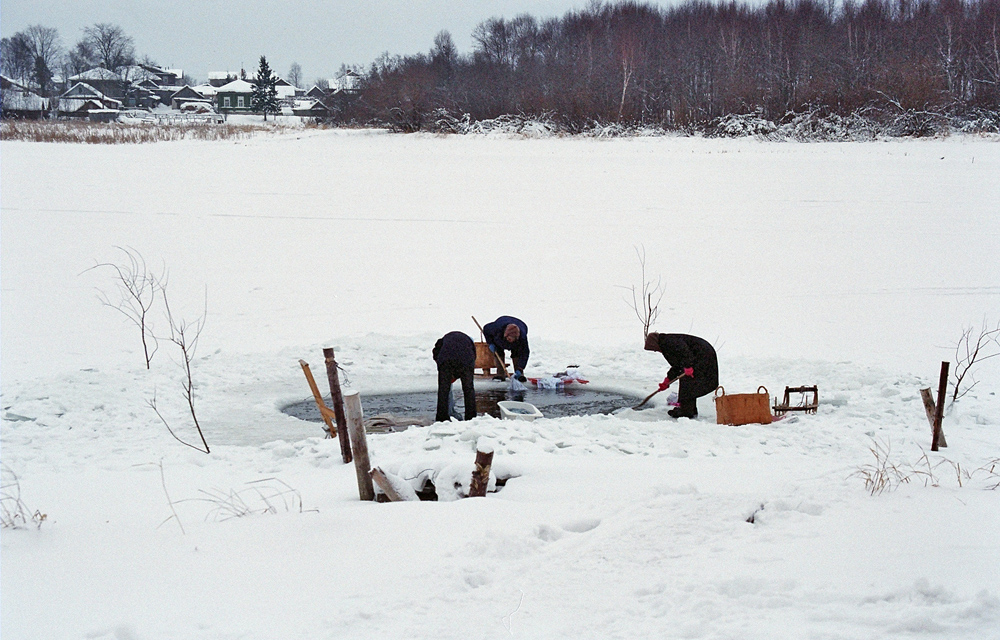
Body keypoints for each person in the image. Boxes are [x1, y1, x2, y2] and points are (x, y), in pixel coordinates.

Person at [644, 332, 719, 419]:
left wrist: (687, 366)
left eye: (655, 349)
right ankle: (689, 410)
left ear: (655, 344)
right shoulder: (666, 344)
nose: (656, 351)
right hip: (698, 357)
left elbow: (684, 352)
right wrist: (668, 380)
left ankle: (686, 412)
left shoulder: (669, 342)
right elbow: (677, 365)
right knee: (689, 382)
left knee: (688, 381)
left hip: (704, 356)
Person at [433, 331, 477, 423]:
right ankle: (471, 418)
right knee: (469, 389)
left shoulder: (444, 340)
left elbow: (436, 352)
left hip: (447, 360)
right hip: (466, 360)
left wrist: (442, 370)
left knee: (443, 390)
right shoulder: (468, 341)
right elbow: (474, 355)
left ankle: (442, 419)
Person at [482, 316, 529, 382]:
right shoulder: (496, 328)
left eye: (513, 339)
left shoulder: (522, 338)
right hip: (499, 337)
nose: (511, 341)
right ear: (506, 335)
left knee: (517, 353)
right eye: (510, 339)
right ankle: (500, 374)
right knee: (498, 352)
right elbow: (486, 329)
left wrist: (520, 368)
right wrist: (490, 343)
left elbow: (525, 354)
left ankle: (519, 374)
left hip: (520, 326)